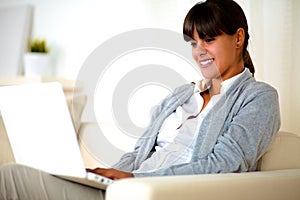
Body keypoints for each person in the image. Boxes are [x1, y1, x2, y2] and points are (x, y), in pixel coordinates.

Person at [0, 0, 280, 199]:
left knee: (11, 178)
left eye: (208, 39)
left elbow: (225, 163)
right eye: (193, 43)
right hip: (124, 191)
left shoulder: (258, 97)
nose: (199, 51)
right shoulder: (183, 94)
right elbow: (138, 155)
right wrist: (101, 173)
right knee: (14, 172)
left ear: (238, 38)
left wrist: (136, 180)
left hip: (158, 192)